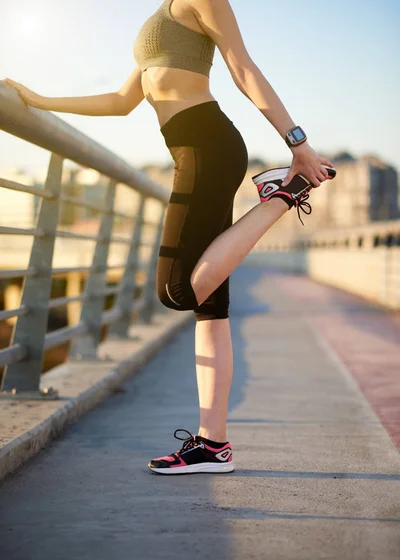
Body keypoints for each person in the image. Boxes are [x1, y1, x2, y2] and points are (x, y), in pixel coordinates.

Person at [3, 0, 336, 475]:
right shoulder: (160, 15)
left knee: (178, 290)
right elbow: (121, 101)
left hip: (207, 147)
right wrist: (40, 101)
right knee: (210, 309)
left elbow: (242, 67)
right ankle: (212, 446)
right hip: (194, 150)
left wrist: (298, 144)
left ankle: (285, 193)